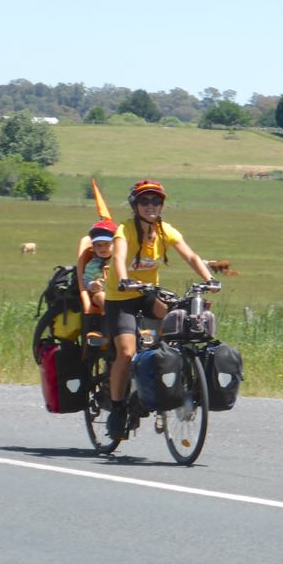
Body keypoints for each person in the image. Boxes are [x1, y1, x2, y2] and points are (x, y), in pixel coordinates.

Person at [104, 180, 220, 439]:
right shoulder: (125, 230)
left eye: (156, 201)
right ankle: (118, 408)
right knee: (126, 352)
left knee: (178, 329)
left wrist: (209, 279)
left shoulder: (165, 230)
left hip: (148, 294)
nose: (150, 206)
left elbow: (189, 255)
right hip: (120, 297)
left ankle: (165, 386)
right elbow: (118, 257)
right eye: (144, 201)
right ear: (135, 205)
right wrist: (123, 279)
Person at [80, 220, 118, 309]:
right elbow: (85, 282)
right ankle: (111, 318)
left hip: (120, 294)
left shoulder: (120, 261)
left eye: (106, 244)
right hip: (101, 294)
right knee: (101, 296)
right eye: (98, 245)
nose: (103, 248)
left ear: (115, 245)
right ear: (93, 247)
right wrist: (92, 284)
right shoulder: (92, 265)